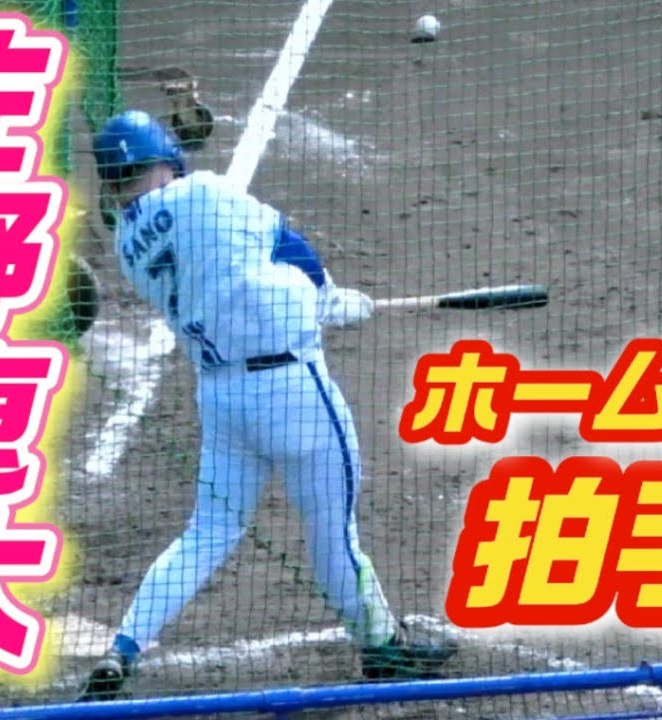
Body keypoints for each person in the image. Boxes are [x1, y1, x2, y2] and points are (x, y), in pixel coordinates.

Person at [78, 110, 456, 701]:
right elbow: (289, 248)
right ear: (165, 156)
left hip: (223, 401)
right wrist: (329, 298)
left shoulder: (128, 245)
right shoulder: (204, 193)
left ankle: (122, 647)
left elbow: (236, 278)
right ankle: (382, 647)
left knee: (206, 533)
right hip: (293, 393)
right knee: (332, 532)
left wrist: (309, 304)